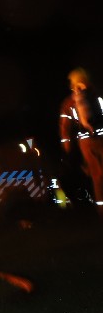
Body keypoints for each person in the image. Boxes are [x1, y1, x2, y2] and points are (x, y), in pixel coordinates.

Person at [59, 67, 103, 212]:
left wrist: (67, 147)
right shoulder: (98, 94)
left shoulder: (69, 102)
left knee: (97, 177)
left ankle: (101, 210)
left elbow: (65, 126)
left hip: (86, 144)